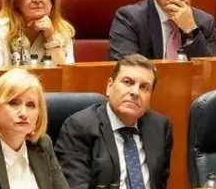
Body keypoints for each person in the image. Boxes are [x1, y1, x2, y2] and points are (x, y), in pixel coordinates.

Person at [55, 54, 172, 189]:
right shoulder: (79, 127)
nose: (135, 92)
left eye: (144, 87)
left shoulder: (160, 127)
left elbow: (160, 184)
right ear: (109, 86)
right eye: (128, 82)